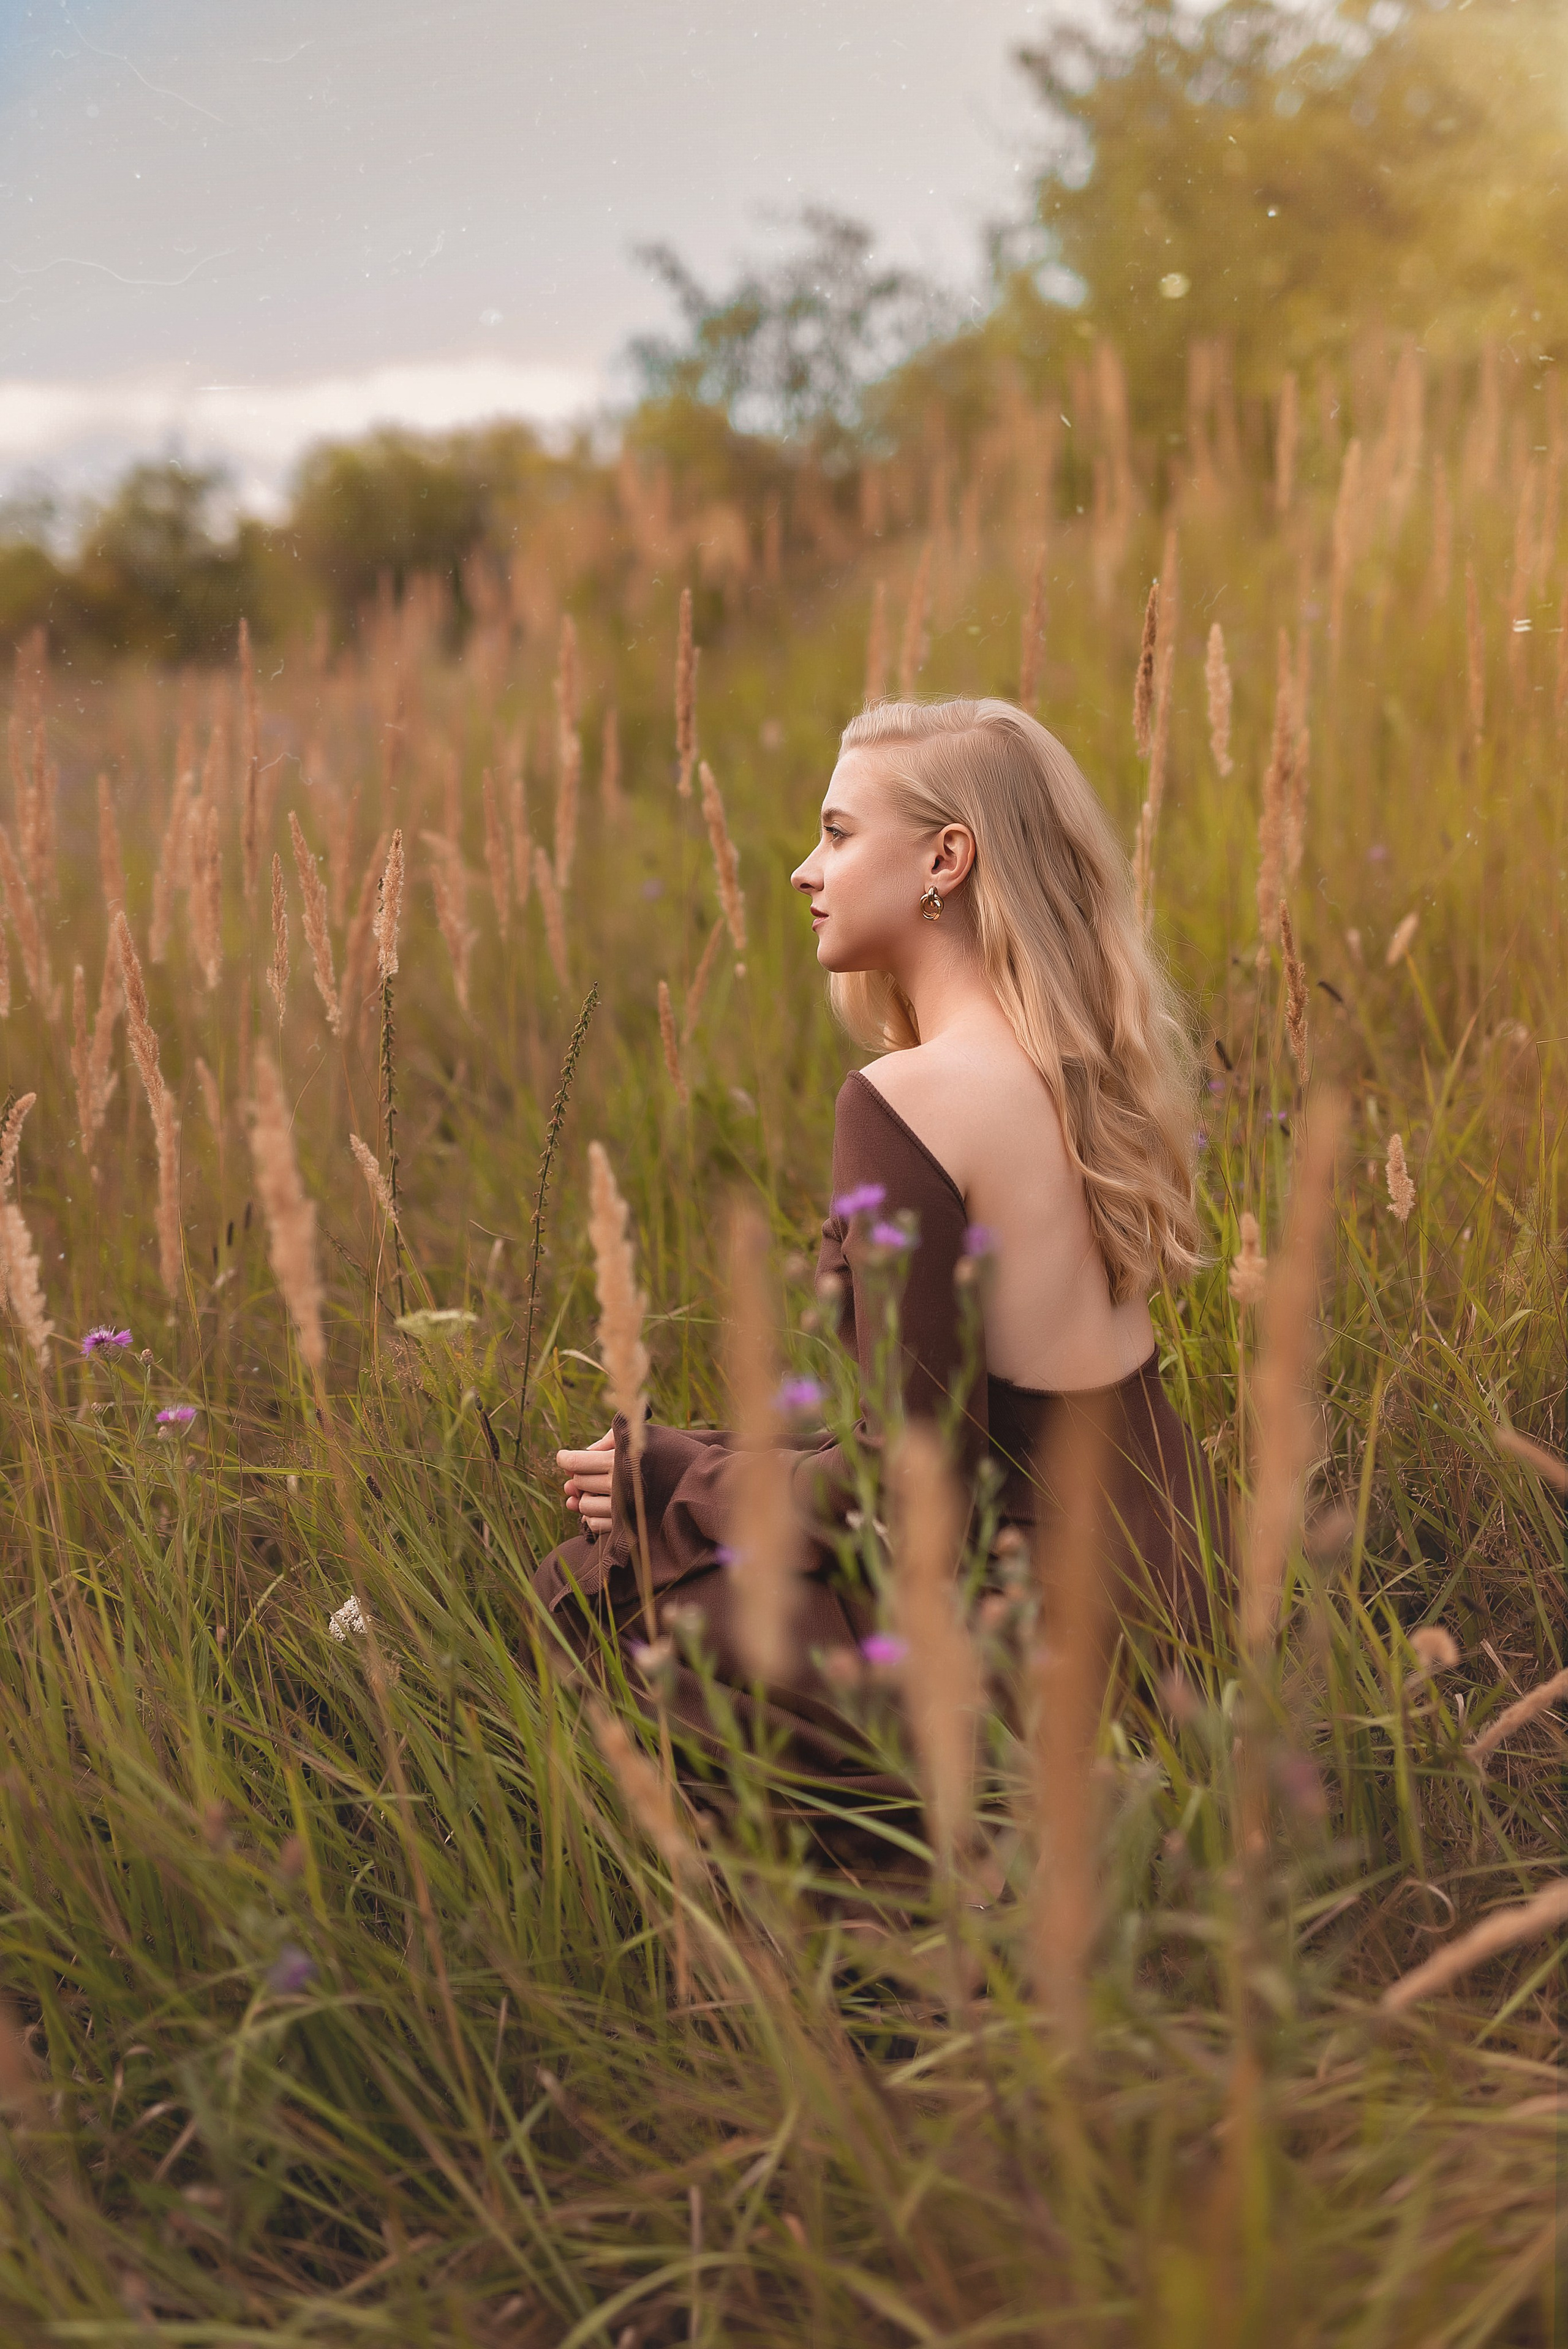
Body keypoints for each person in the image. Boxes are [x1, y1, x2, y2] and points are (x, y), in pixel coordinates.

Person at [538, 698, 1228, 1793]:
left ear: (945, 858)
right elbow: (969, 1427)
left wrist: (673, 1476)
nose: (806, 871)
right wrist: (716, 1462)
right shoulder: (1076, 1061)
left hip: (1049, 1639)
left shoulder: (905, 1099)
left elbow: (914, 1493)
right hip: (1187, 1586)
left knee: (616, 1589)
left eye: (838, 832)